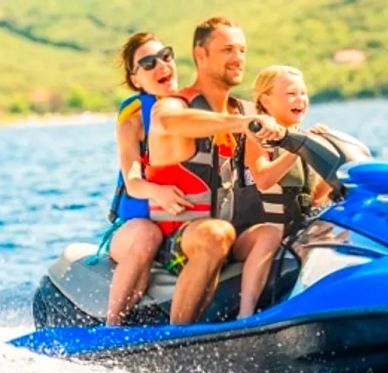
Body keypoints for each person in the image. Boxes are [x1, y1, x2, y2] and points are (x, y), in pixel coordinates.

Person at [147, 17, 286, 323]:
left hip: (229, 234)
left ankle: (248, 321)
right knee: (216, 233)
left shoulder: (244, 111)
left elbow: (266, 168)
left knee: (270, 231)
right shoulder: (174, 105)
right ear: (201, 54)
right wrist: (241, 125)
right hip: (178, 240)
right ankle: (177, 337)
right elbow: (169, 123)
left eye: (242, 50)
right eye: (227, 50)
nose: (238, 58)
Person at [105, 32, 185, 325]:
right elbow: (133, 182)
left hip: (182, 226)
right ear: (136, 79)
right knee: (146, 235)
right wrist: (159, 192)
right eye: (148, 63)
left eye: (166, 56)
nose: (161, 65)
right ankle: (112, 326)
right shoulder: (135, 121)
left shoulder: (196, 108)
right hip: (137, 229)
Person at [246, 65, 332, 236]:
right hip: (263, 231)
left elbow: (314, 198)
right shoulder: (257, 138)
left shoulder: (304, 137)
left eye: (304, 93)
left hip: (298, 230)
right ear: (266, 101)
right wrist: (299, 147)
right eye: (292, 94)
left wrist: (334, 169)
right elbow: (263, 179)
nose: (300, 99)